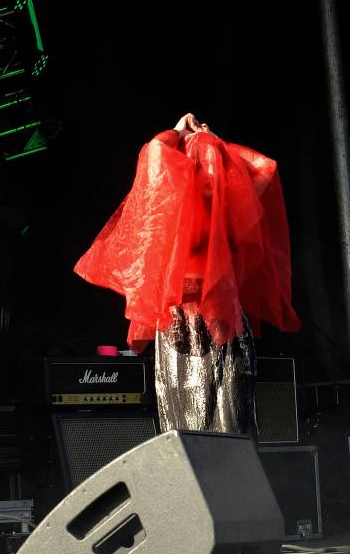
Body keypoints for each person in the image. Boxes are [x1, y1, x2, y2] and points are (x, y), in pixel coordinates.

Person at [74, 113, 300, 437]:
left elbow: (154, 152)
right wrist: (218, 144)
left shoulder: (170, 209)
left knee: (189, 432)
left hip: (184, 325)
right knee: (228, 428)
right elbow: (266, 167)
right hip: (216, 326)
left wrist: (176, 133)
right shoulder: (226, 211)